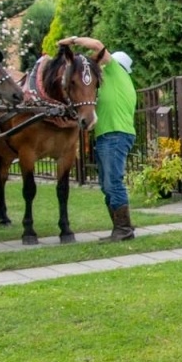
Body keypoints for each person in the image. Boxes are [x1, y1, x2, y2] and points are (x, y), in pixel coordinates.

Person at [63, 35, 136, 241]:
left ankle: (124, 229)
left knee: (113, 182)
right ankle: (121, 227)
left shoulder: (116, 73)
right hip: (109, 135)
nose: (100, 69)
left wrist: (73, 41)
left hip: (115, 134)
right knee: (106, 184)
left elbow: (97, 46)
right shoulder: (116, 85)